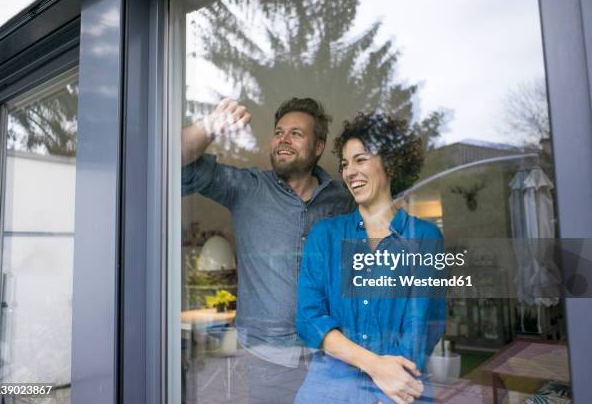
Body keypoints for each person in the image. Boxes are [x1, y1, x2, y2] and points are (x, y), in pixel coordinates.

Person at [181, 97, 353, 403]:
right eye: (278, 132)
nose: (283, 139)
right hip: (269, 357)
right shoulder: (246, 188)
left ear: (318, 147)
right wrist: (211, 125)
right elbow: (174, 159)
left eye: (296, 133)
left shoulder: (342, 201)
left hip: (333, 353)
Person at [295, 112, 446, 404]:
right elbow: (308, 318)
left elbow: (421, 328)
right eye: (344, 164)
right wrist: (374, 365)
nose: (350, 172)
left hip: (398, 393)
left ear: (389, 162)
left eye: (360, 159)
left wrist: (386, 381)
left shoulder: (425, 238)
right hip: (327, 394)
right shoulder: (325, 235)